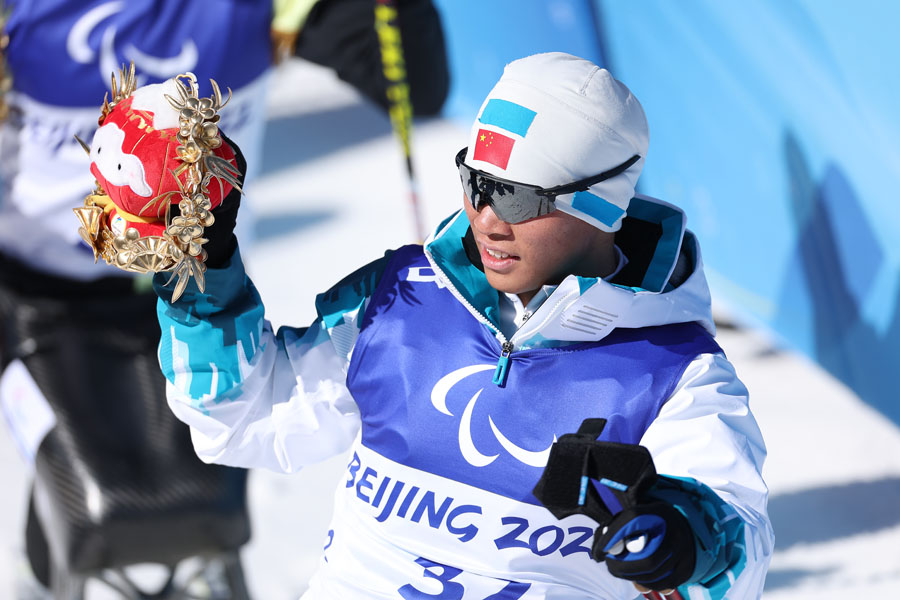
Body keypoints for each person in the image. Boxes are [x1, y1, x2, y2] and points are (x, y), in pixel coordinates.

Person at [139, 52, 771, 599]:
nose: (486, 218)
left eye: (518, 197)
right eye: (477, 182)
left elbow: (737, 555)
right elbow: (242, 418)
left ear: (600, 204)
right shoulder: (401, 301)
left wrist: (684, 534)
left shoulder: (673, 372)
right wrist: (204, 264)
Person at [0, 0, 447, 596]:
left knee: (200, 516)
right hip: (37, 291)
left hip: (199, 284)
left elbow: (416, 85)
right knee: (86, 495)